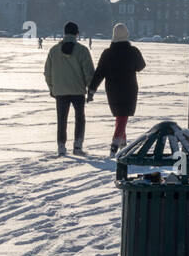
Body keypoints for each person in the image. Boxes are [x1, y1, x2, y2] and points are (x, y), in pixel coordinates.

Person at [87, 23, 146, 158]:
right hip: (129, 89)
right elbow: (141, 66)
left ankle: (124, 146)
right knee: (122, 116)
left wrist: (91, 90)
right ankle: (115, 147)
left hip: (112, 89)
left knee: (121, 116)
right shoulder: (133, 51)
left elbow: (99, 73)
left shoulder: (107, 53)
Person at [44, 21, 95, 157]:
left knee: (62, 119)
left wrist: (52, 88)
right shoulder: (82, 51)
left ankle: (61, 147)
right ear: (77, 33)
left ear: (64, 33)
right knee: (80, 118)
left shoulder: (53, 51)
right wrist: (90, 90)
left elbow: (47, 72)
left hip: (60, 90)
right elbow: (89, 72)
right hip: (78, 91)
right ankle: (77, 146)